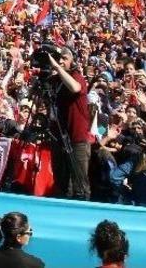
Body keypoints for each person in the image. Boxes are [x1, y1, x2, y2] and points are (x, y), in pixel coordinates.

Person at [48, 46, 92, 200]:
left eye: (64, 58)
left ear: (72, 61)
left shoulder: (76, 75)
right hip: (58, 137)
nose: (60, 61)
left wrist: (57, 68)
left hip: (77, 138)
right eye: (58, 58)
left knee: (80, 187)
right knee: (61, 186)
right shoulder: (53, 81)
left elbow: (74, 87)